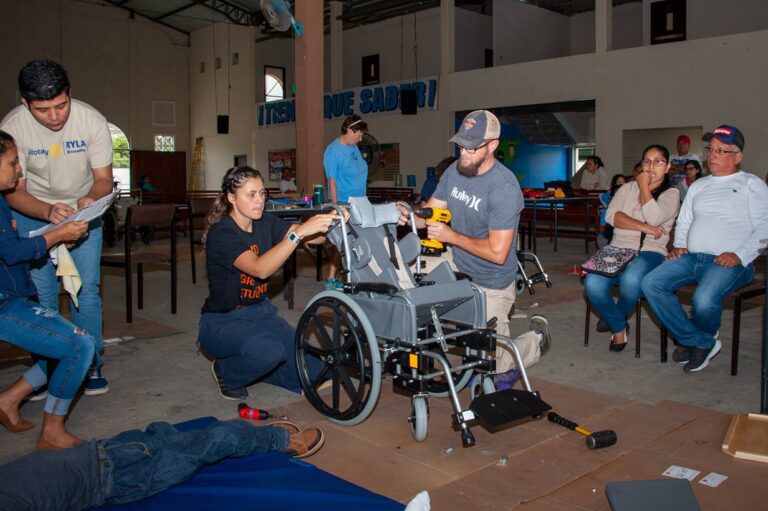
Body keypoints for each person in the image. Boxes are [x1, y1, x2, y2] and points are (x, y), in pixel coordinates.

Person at [399, 110, 551, 381]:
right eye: (460, 145)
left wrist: (451, 236)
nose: (464, 153)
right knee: (400, 271)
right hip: (457, 260)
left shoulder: (503, 188)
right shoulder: (454, 173)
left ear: (492, 145)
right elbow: (430, 212)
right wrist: (406, 214)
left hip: (492, 280)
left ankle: (536, 340)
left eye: (472, 147)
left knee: (493, 364)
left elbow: (497, 252)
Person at [0, 59, 113, 395]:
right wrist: (48, 210)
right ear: (25, 103)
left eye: (60, 105)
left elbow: (104, 180)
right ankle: (49, 368)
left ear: (69, 95)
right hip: (34, 212)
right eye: (43, 109)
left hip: (83, 213)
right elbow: (14, 190)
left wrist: (87, 201)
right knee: (43, 295)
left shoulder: (90, 120)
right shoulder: (14, 127)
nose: (54, 116)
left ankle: (92, 364)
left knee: (86, 291)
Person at [197, 166, 339, 400]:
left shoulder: (265, 222)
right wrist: (299, 234)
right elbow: (260, 269)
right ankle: (226, 371)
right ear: (231, 197)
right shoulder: (221, 234)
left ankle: (263, 366)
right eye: (251, 194)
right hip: (223, 320)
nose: (259, 201)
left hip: (260, 312)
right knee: (269, 352)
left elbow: (313, 238)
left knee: (317, 372)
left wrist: (332, 223)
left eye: (262, 193)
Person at [642, 125, 768, 373]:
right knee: (651, 283)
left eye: (721, 150)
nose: (713, 155)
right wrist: (679, 245)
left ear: (738, 156)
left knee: (704, 299)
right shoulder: (699, 186)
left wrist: (739, 255)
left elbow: (764, 228)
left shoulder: (750, 184)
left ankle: (695, 341)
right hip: (692, 258)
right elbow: (685, 221)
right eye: (711, 149)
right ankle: (699, 341)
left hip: (731, 263)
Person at [0, 130, 96, 450]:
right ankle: (53, 430)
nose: (19, 170)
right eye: (13, 163)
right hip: (4, 303)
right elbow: (12, 253)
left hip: (10, 295)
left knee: (64, 345)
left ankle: (8, 400)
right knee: (80, 346)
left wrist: (55, 238)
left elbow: (11, 249)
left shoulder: (2, 201)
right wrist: (56, 236)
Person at [0, 418, 325, 510]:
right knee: (216, 440)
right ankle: (282, 442)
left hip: (102, 451)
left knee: (171, 432)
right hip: (112, 480)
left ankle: (270, 436)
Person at [585, 144, 680, 350]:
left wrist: (644, 186)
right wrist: (644, 226)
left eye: (658, 161)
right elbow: (612, 216)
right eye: (647, 161)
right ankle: (620, 325)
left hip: (650, 251)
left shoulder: (671, 193)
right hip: (618, 247)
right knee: (592, 284)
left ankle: (615, 319)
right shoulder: (627, 188)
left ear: (668, 166)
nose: (651, 166)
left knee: (631, 280)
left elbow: (655, 216)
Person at [323, 114, 368, 290]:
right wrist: (336, 208)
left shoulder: (353, 147)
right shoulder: (333, 151)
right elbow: (332, 181)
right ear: (350, 130)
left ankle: (353, 274)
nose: (361, 138)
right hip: (344, 202)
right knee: (342, 242)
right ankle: (331, 278)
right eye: (359, 134)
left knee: (358, 240)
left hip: (361, 201)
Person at [597, 174, 627, 247]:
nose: (621, 184)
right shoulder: (609, 195)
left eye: (623, 182)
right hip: (608, 235)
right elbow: (602, 231)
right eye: (619, 182)